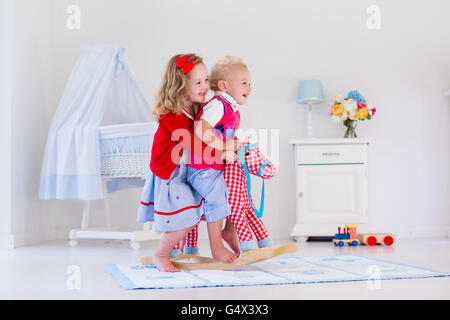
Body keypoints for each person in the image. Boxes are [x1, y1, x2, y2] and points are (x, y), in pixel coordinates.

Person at [137, 54, 237, 272]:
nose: (205, 86)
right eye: (198, 83)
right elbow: (192, 143)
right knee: (185, 219)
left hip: (188, 170)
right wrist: (221, 154)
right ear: (181, 86)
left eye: (206, 80)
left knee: (207, 204)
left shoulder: (197, 107)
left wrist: (229, 142)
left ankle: (216, 241)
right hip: (170, 173)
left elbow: (209, 132)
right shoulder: (172, 113)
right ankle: (160, 254)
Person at [183, 56, 252, 255]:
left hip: (213, 166)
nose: (249, 87)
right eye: (244, 83)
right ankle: (217, 247)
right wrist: (223, 146)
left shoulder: (230, 107)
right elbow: (201, 130)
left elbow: (223, 130)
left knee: (238, 192)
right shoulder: (218, 104)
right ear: (224, 85)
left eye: (250, 83)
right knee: (218, 198)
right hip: (202, 167)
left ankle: (230, 231)